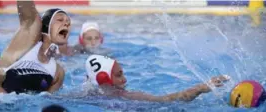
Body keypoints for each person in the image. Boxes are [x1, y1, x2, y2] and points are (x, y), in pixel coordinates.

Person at [0, 0, 71, 95]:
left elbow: (45, 105)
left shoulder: (58, 73)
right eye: (60, 20)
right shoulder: (27, 43)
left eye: (68, 22)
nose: (66, 24)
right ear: (46, 25)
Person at [84, 54, 230, 102]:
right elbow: (167, 100)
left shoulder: (87, 95)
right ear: (104, 79)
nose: (125, 80)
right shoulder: (130, 96)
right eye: (118, 75)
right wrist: (200, 88)